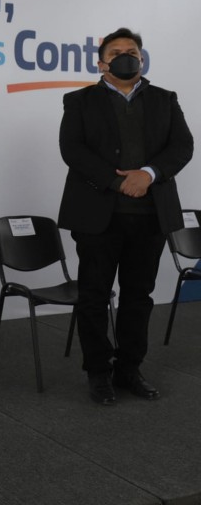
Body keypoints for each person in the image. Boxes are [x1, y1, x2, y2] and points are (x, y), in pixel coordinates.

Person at [58, 27, 193, 405]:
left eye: (131, 52)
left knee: (138, 296)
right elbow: (72, 149)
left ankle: (129, 368)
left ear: (142, 59)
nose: (125, 57)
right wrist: (118, 182)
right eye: (116, 52)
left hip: (150, 216)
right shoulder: (79, 101)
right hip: (97, 216)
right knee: (93, 296)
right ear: (101, 63)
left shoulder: (166, 99)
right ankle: (98, 372)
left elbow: (182, 146)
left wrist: (148, 174)